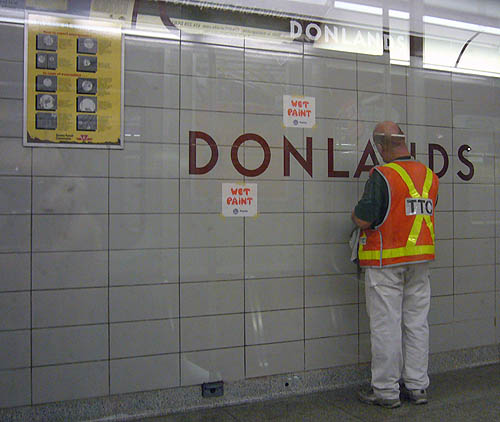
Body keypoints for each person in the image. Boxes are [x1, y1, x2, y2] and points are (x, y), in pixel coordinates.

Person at [351, 121, 439, 409]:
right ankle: (417, 386)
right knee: (416, 323)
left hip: (386, 260)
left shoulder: (383, 175)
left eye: (378, 147)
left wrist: (354, 218)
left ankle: (386, 391)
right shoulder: (429, 176)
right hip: (420, 260)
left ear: (383, 145)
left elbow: (364, 218)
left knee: (386, 326)